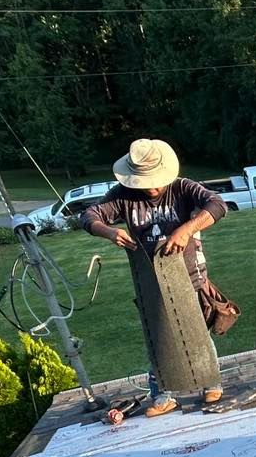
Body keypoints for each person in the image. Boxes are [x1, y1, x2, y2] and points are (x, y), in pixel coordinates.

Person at [80, 139, 229, 416]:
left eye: (154, 181)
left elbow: (218, 205)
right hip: (150, 280)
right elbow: (89, 216)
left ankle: (210, 382)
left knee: (195, 328)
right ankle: (164, 395)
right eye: (143, 182)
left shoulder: (182, 187)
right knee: (158, 335)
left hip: (188, 273)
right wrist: (110, 232)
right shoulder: (122, 194)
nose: (151, 187)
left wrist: (186, 229)